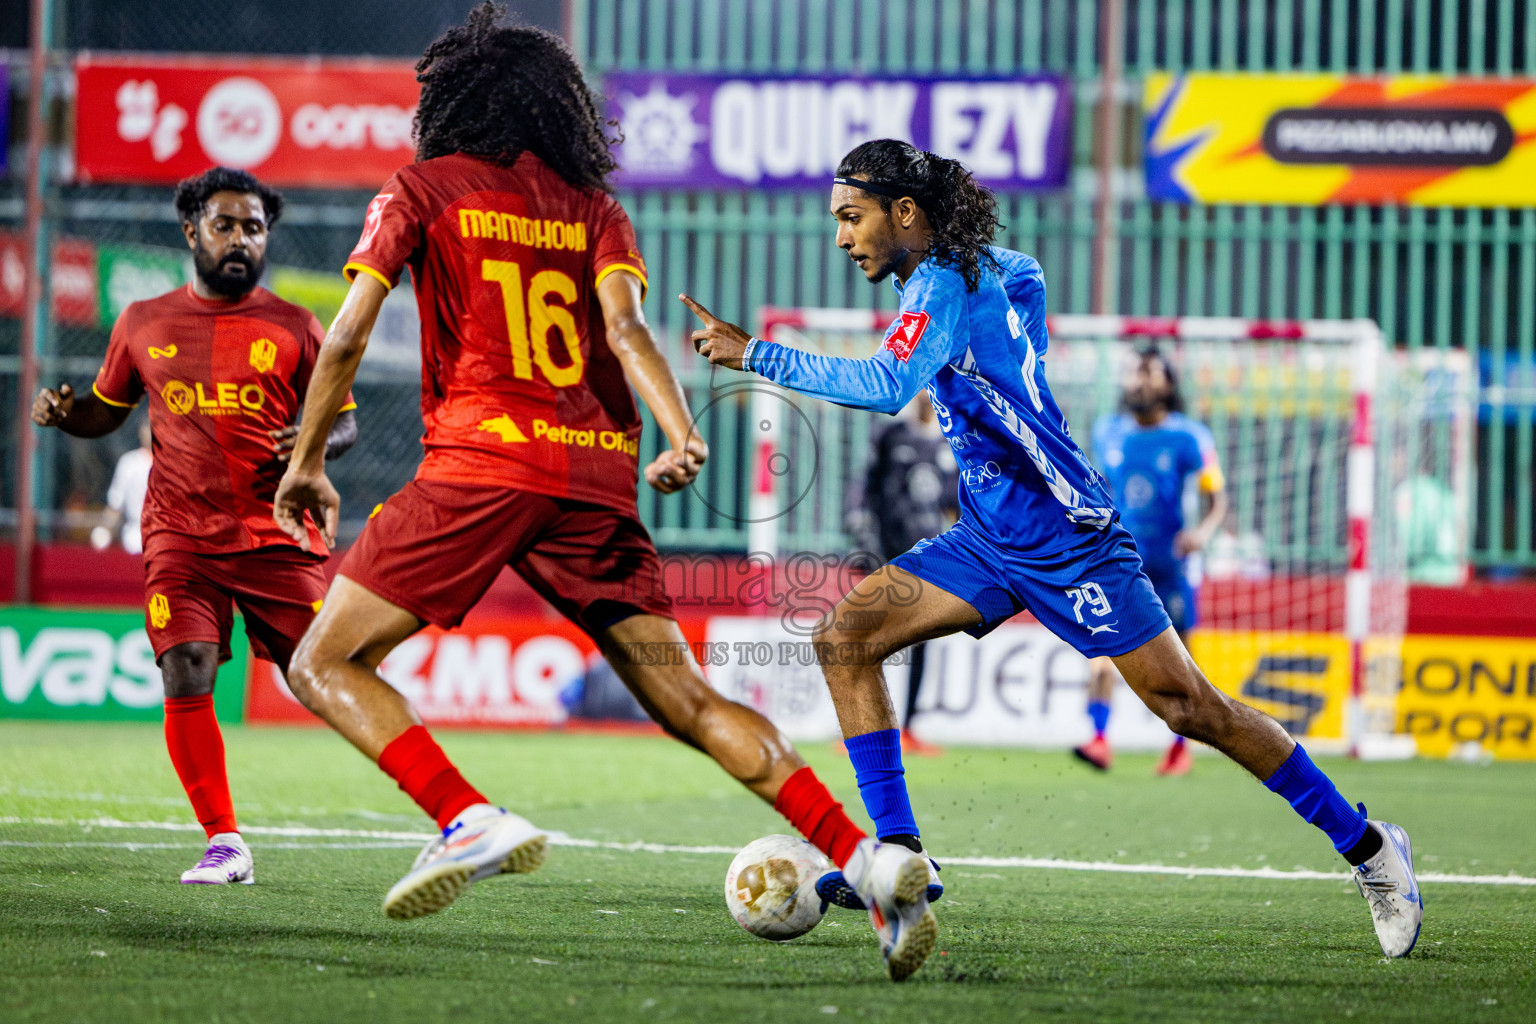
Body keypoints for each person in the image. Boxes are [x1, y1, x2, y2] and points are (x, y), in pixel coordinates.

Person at [270, 5, 918, 982]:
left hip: (482, 466)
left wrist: (307, 458)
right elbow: (625, 332)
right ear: (555, 107)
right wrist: (684, 430)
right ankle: (872, 861)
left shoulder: (425, 188)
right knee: (688, 699)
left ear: (452, 102)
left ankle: (464, 816)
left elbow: (352, 332)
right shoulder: (592, 207)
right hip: (596, 481)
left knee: (323, 661)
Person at [684, 138, 1423, 975]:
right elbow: (1024, 276)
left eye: (852, 218)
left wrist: (756, 355)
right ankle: (901, 863)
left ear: (905, 213)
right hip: (988, 535)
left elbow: (889, 388)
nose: (844, 237)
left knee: (1190, 709)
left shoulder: (942, 282)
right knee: (846, 639)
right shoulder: (991, 269)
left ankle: (1369, 848)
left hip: (1070, 536)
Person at [31, 166, 359, 885]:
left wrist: (312, 439)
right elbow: (104, 411)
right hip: (179, 532)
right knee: (186, 666)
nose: (241, 238)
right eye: (226, 224)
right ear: (192, 231)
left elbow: (345, 425)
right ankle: (223, 840)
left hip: (275, 533)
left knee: (326, 674)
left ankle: (450, 811)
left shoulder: (299, 325)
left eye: (255, 227)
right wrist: (66, 414)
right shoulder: (143, 321)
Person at [1075, 347, 1228, 776]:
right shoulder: (1109, 432)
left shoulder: (1190, 437)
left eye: (1148, 373)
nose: (1138, 381)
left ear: (1168, 384)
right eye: (1132, 373)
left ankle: (1181, 746)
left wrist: (1203, 533)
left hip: (1171, 564)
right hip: (1119, 561)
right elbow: (1100, 489)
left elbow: (1216, 498)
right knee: (1102, 648)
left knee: (1180, 661)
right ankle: (1100, 738)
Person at [852, 390, 957, 755]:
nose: (929, 392)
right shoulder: (890, 435)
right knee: (866, 636)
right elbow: (865, 485)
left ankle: (908, 727)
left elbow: (955, 507)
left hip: (927, 559)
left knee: (920, 640)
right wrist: (859, 523)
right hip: (887, 553)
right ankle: (860, 726)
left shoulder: (951, 444)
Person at [94, 417, 154, 553]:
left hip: (166, 537)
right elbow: (115, 505)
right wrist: (105, 530)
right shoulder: (129, 463)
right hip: (135, 537)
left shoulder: (171, 464)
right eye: (147, 428)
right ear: (141, 431)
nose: (150, 432)